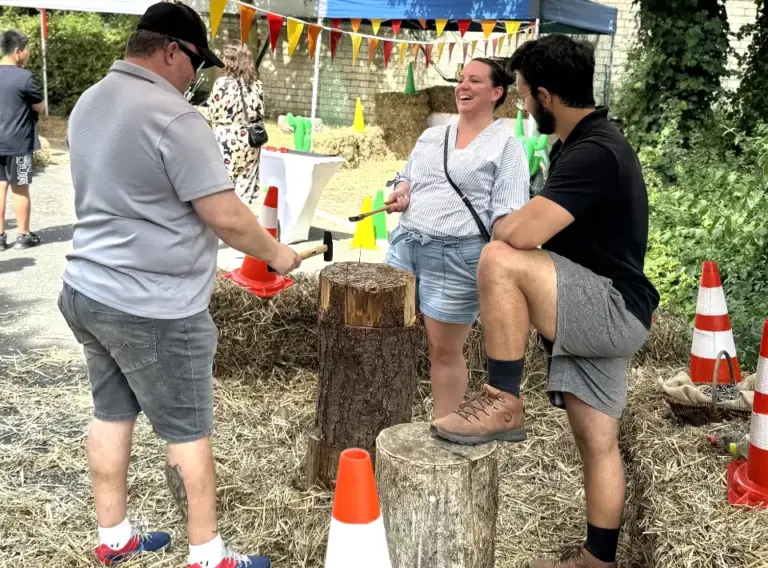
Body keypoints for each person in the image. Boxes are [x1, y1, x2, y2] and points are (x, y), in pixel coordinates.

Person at [59, 3, 300, 568]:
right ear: (170, 50)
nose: (198, 76)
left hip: (86, 288)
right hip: (153, 304)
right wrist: (278, 254)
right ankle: (208, 553)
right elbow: (226, 215)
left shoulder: (90, 101)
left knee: (110, 412)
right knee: (188, 429)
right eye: (196, 62)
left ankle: (113, 536)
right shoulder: (174, 117)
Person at [430, 35, 660, 568]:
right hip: (610, 305)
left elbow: (522, 234)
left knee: (496, 258)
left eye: (525, 94)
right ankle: (597, 558)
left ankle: (503, 400)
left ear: (545, 94)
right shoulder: (589, 143)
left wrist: (505, 223)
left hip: (607, 306)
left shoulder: (593, 152)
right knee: (597, 440)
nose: (524, 105)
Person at [384, 58, 529, 419]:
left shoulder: (507, 147)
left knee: (444, 351)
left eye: (474, 81)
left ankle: (443, 429)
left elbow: (507, 216)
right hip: (405, 245)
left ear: (497, 93)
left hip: (457, 256)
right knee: (385, 338)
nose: (462, 87)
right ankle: (384, 420)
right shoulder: (433, 134)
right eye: (461, 79)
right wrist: (401, 189)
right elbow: (406, 175)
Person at [197, 43, 265, 205]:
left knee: (222, 187)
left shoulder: (222, 84)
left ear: (230, 60)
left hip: (226, 139)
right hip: (251, 140)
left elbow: (213, 113)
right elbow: (261, 112)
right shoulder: (257, 85)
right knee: (245, 188)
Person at [0, 29, 45, 251]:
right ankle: (22, 235)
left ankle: (0, 239)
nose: (28, 54)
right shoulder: (24, 77)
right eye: (26, 50)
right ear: (18, 51)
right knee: (20, 188)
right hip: (18, 144)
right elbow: (41, 107)